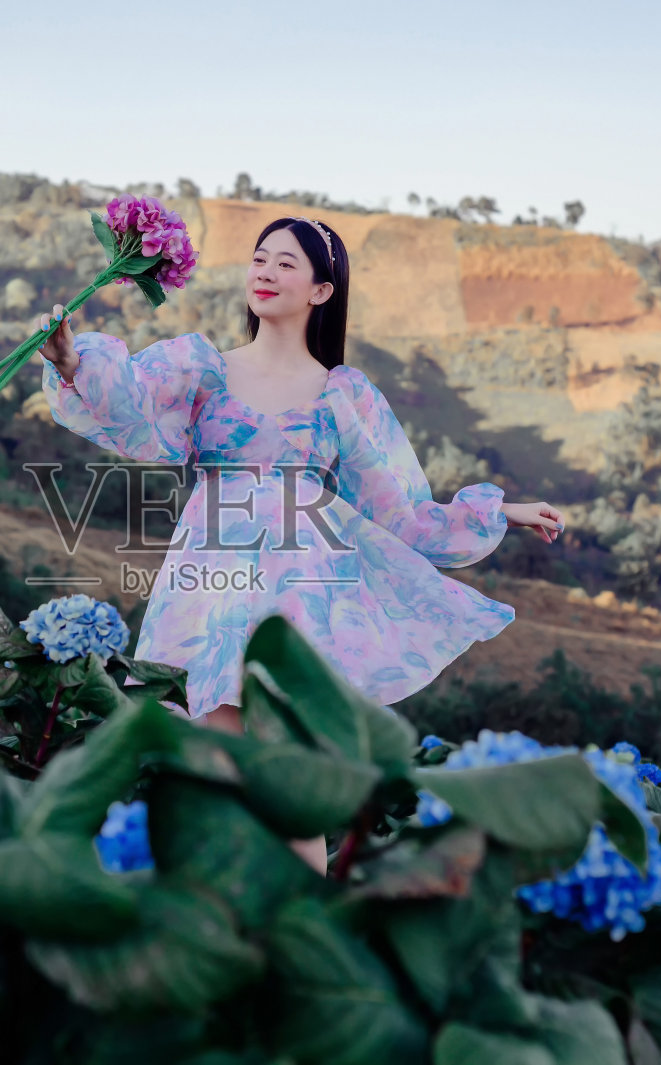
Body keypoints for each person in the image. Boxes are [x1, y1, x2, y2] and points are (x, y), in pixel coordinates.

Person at [34, 216, 565, 874]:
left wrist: (499, 511)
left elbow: (403, 512)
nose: (264, 271)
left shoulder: (343, 395)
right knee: (213, 772)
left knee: (283, 783)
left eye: (285, 263)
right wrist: (70, 363)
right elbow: (131, 411)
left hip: (296, 597)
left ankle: (302, 939)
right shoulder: (201, 368)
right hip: (212, 584)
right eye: (259, 259)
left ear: (321, 289)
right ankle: (217, 943)